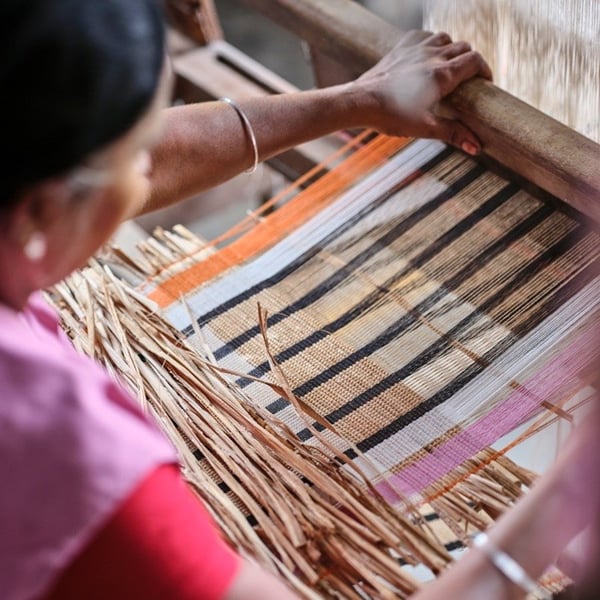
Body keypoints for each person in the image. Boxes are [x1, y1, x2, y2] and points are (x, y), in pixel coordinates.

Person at [1, 0, 597, 599]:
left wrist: (351, 102)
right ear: (42, 211)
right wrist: (565, 498)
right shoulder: (60, 449)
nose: (145, 168)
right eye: (133, 151)